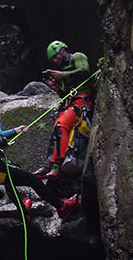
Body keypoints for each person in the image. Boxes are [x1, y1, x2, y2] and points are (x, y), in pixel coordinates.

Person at [0, 86, 79, 217]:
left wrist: (16, 130)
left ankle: (24, 212)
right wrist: (4, 143)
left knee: (10, 179)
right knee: (32, 179)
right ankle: (62, 206)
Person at [36, 40, 94, 179]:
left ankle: (58, 165)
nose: (55, 61)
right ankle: (49, 164)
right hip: (71, 102)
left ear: (62, 50)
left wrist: (61, 75)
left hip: (83, 101)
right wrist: (56, 87)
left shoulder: (78, 57)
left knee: (61, 126)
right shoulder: (62, 71)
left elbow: (85, 71)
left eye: (56, 56)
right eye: (53, 59)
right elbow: (65, 94)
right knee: (57, 127)